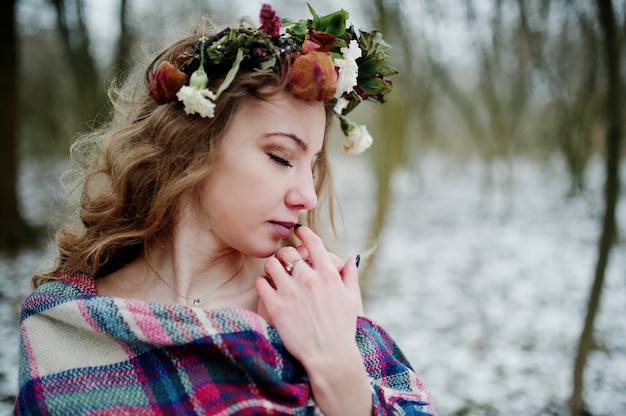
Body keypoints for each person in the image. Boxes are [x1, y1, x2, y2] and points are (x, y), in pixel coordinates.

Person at [15, 4, 435, 415]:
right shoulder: (65, 326)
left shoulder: (312, 308)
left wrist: (340, 374)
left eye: (313, 165)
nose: (308, 195)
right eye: (281, 157)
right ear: (190, 146)